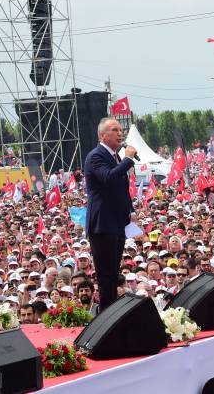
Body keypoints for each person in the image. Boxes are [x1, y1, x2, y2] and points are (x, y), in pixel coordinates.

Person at [84, 117, 138, 311]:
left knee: (114, 274)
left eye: (120, 130)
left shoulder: (115, 157)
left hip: (116, 223)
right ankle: (106, 318)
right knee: (106, 276)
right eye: (114, 130)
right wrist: (128, 160)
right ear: (102, 135)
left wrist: (130, 210)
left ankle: (111, 314)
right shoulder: (96, 156)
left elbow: (120, 189)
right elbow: (108, 178)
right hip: (102, 224)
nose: (119, 133)